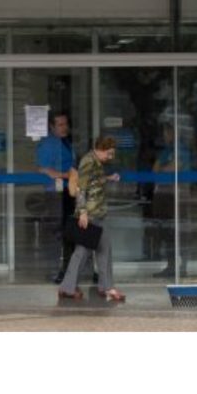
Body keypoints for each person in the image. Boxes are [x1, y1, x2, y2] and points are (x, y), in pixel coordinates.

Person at [57, 135, 127, 304]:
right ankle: (68, 287)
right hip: (90, 215)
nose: (111, 157)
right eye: (109, 153)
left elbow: (93, 181)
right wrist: (82, 212)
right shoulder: (88, 162)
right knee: (82, 252)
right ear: (100, 149)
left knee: (104, 249)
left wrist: (108, 178)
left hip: (98, 213)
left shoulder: (96, 162)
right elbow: (81, 189)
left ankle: (105, 286)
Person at [36, 110, 76, 283]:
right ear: (51, 127)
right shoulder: (48, 144)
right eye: (60, 124)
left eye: (66, 124)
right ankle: (56, 270)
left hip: (70, 191)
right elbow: (43, 169)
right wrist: (66, 175)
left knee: (69, 231)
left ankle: (68, 269)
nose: (64, 127)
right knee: (57, 232)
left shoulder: (66, 142)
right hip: (56, 193)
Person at [151, 122, 194, 279]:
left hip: (178, 194)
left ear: (174, 133)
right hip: (164, 194)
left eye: (167, 132)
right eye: (164, 132)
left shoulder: (181, 149)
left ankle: (182, 268)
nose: (165, 135)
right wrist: (165, 169)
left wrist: (164, 169)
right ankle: (171, 267)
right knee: (167, 231)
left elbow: (174, 168)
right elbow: (155, 169)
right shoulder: (167, 150)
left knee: (179, 232)